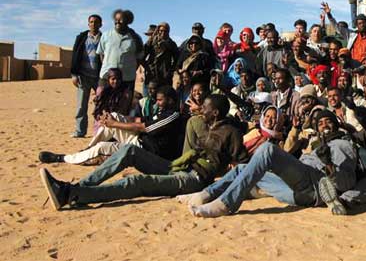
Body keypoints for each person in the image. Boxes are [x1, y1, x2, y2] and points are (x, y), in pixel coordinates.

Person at [39, 94, 249, 211]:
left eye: (204, 107)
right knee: (129, 150)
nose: (199, 109)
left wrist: (222, 185)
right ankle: (79, 187)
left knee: (135, 183)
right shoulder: (205, 125)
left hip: (193, 180)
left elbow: (244, 165)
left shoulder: (230, 132)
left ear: (215, 112)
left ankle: (70, 194)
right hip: (178, 167)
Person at [182, 109, 357, 218]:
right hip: (292, 193)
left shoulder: (342, 145)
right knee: (242, 169)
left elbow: (347, 182)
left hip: (314, 185)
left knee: (268, 149)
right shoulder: (315, 143)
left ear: (337, 125)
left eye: (328, 121)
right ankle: (205, 194)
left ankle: (225, 204)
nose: (324, 125)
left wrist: (329, 166)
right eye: (320, 123)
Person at [39, 85, 185, 166]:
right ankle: (87, 149)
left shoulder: (172, 116)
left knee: (102, 148)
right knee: (114, 116)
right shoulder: (161, 111)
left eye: (160, 100)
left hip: (144, 150)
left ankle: (62, 158)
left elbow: (143, 127)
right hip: (139, 140)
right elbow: (141, 120)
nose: (157, 103)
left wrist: (115, 124)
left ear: (171, 100)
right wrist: (117, 119)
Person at [70, 14, 103, 137]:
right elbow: (75, 55)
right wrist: (74, 74)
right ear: (88, 24)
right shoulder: (81, 38)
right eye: (91, 22)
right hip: (83, 76)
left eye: (96, 22)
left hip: (99, 78)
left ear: (101, 24)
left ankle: (99, 131)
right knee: (81, 106)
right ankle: (80, 131)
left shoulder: (104, 38)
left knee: (101, 105)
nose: (93, 24)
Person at [97, 9, 143, 94]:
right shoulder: (106, 35)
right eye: (116, 20)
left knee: (123, 105)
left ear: (128, 21)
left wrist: (130, 69)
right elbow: (101, 53)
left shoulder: (135, 38)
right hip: (106, 77)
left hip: (127, 78)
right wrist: (108, 67)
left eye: (121, 20)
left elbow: (139, 57)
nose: (117, 22)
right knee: (102, 103)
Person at [143, 22, 179, 88]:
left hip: (165, 76)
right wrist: (148, 68)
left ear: (168, 32)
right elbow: (142, 56)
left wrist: (170, 71)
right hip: (152, 75)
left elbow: (177, 59)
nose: (163, 33)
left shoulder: (172, 44)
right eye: (161, 31)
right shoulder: (151, 41)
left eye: (165, 31)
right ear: (158, 31)